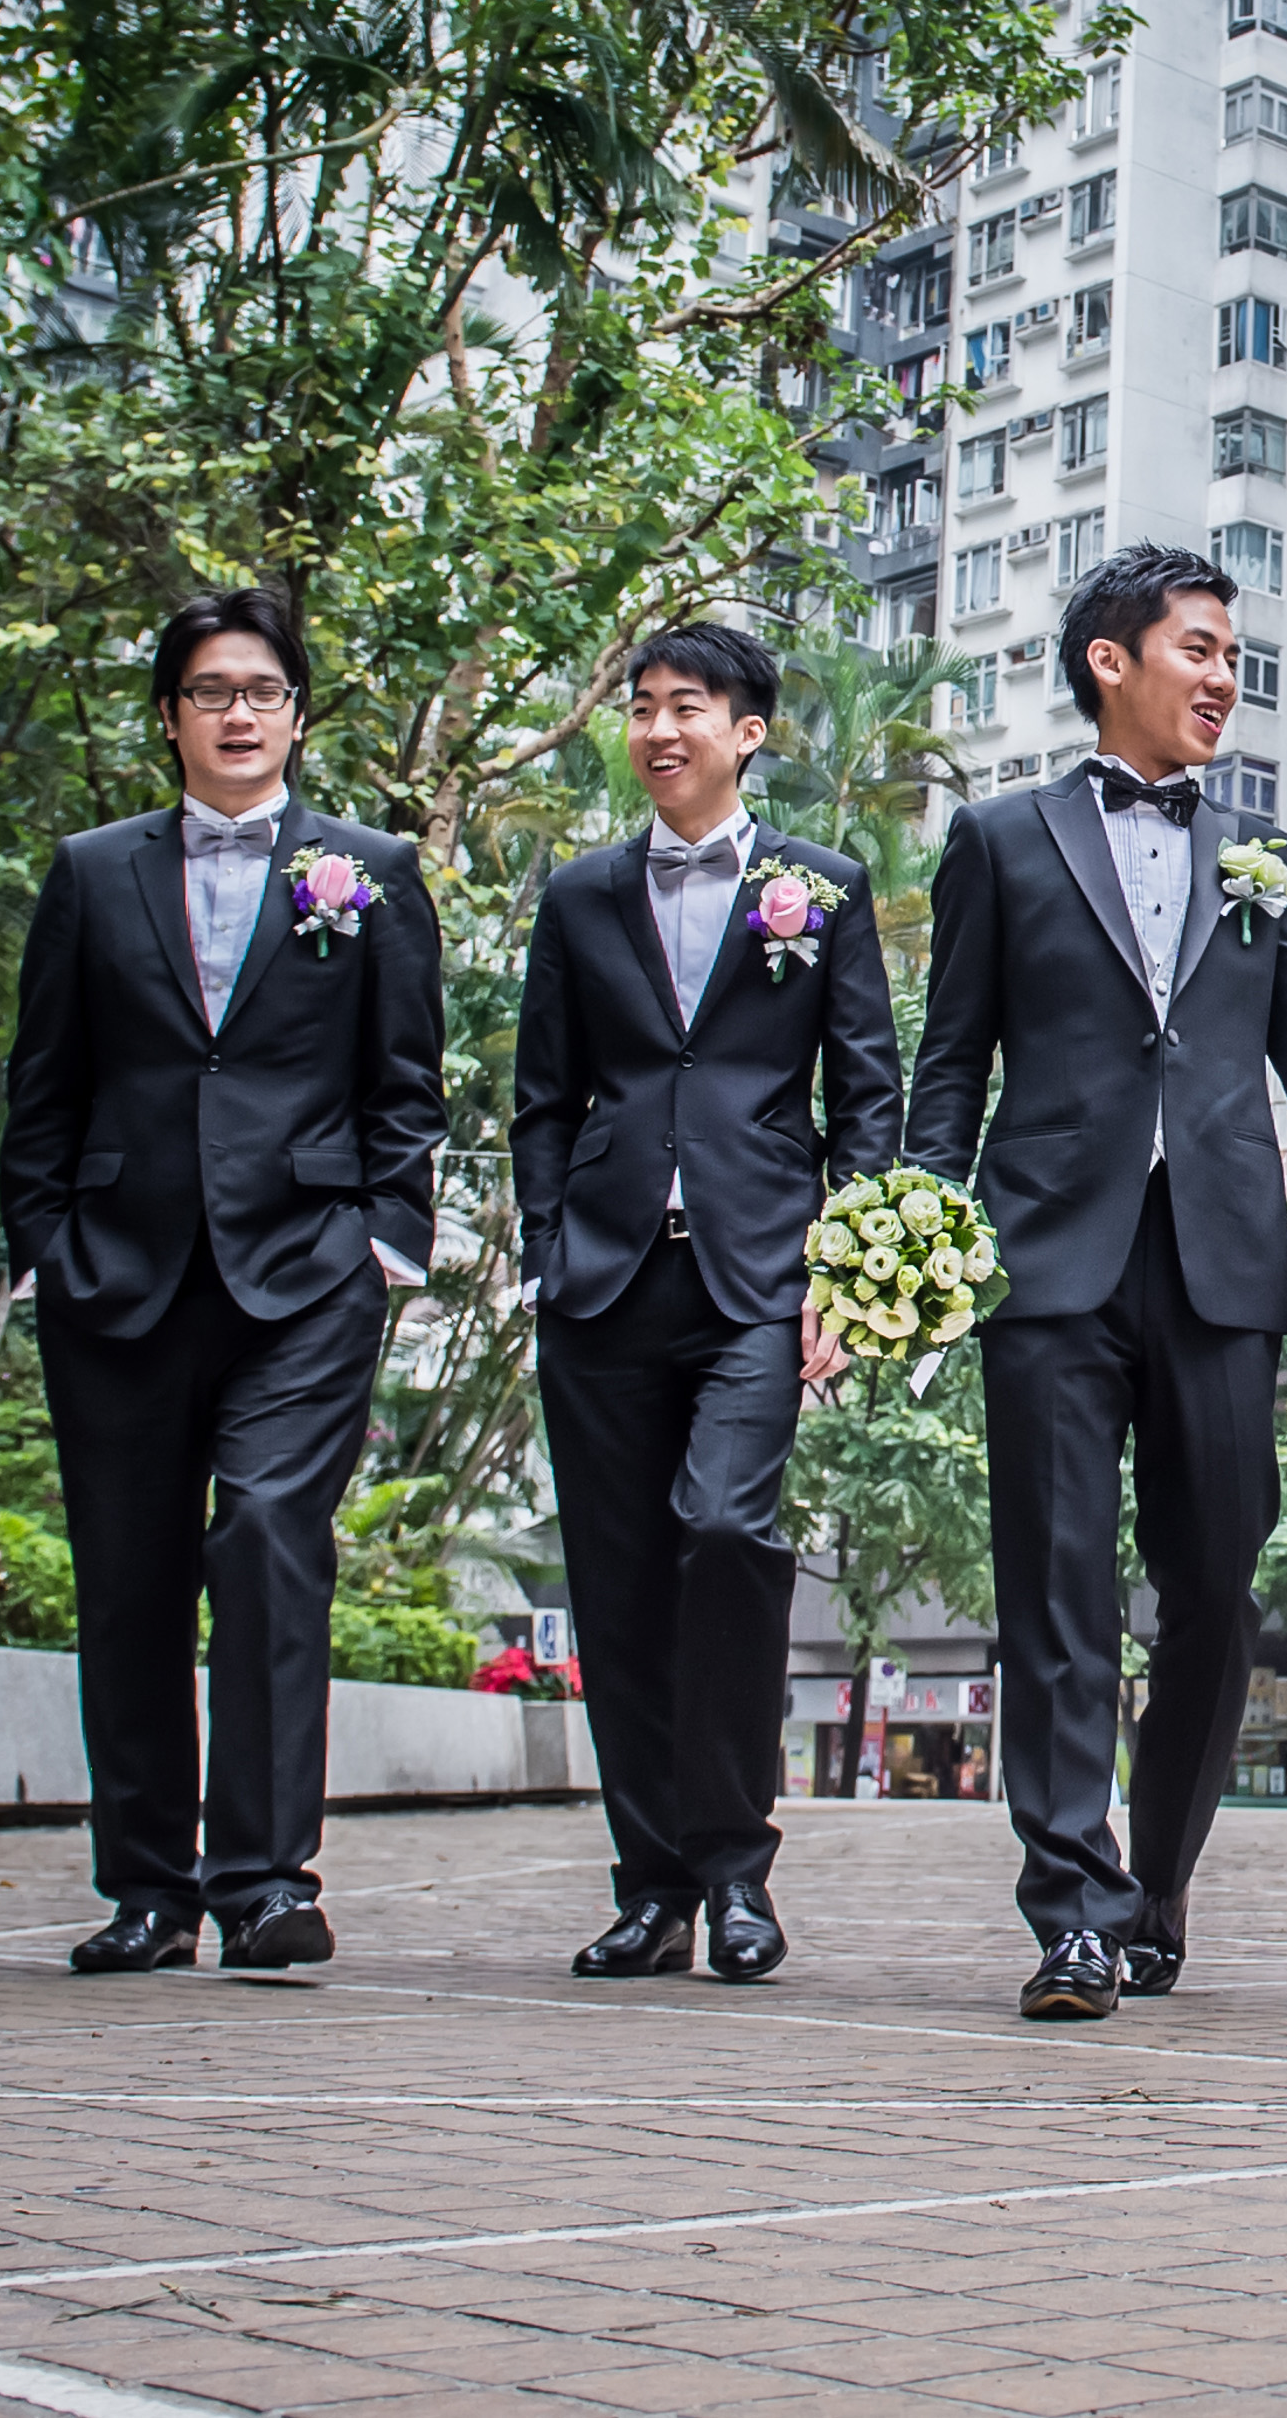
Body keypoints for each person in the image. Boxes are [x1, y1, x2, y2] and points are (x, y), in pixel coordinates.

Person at [907, 542, 1287, 2020]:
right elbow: (950, 1066)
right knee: (1058, 1592)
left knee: (1214, 1586)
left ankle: (1157, 1881)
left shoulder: (1263, 857)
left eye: (1229, 657)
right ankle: (1072, 1913)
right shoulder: (999, 841)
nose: (1222, 679)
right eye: (1198, 650)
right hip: (1047, 1263)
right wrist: (914, 1240)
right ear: (1112, 661)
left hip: (1222, 1266)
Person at [0, 585, 445, 1977]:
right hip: (117, 1276)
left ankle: (263, 1882)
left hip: (305, 1275)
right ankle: (147, 1889)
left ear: (297, 715)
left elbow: (405, 1082)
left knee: (263, 1535)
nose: (237, 713)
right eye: (209, 692)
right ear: (169, 717)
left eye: (261, 691)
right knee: (127, 1578)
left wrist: (385, 1243)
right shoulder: (92, 872)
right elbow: (43, 1084)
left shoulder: (369, 869)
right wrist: (46, 1247)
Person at [510, 620, 900, 1986]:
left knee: (725, 1533)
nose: (660, 729)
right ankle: (652, 1888)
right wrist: (547, 1249)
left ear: (748, 732)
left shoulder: (821, 888)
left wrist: (845, 1272)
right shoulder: (580, 896)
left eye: (688, 707)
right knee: (615, 1583)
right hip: (603, 1281)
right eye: (643, 707)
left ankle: (737, 1869)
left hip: (759, 1281)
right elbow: (543, 1097)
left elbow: (867, 1100)